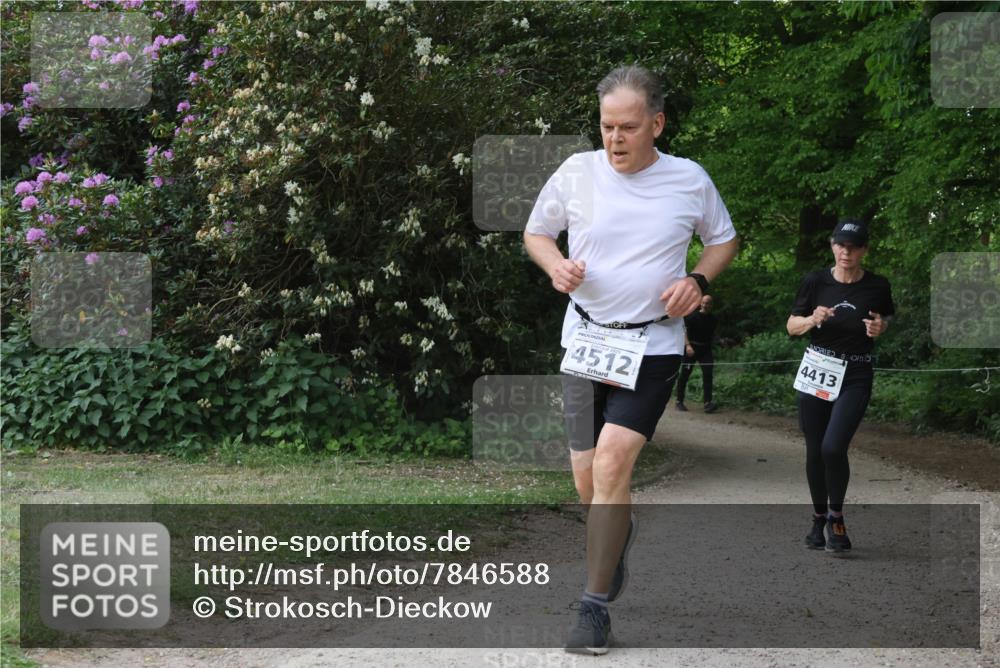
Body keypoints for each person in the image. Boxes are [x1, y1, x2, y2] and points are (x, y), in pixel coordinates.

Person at [523, 64, 738, 655]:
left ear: (657, 124)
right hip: (586, 340)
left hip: (653, 344)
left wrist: (697, 278)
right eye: (606, 126)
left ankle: (592, 608)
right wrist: (554, 265)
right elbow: (537, 234)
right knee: (588, 478)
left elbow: (723, 239)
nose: (614, 138)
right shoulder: (577, 172)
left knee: (615, 464)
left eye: (628, 126)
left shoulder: (689, 179)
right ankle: (615, 539)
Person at [786, 218, 894, 554]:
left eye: (853, 246)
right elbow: (792, 326)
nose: (846, 251)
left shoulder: (877, 285)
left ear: (864, 250)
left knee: (834, 447)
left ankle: (836, 516)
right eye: (840, 245)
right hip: (817, 368)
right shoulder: (815, 281)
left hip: (856, 374)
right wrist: (812, 320)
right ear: (833, 246)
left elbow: (885, 318)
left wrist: (880, 327)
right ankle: (819, 518)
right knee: (815, 449)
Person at [676, 294, 718, 413]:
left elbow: (712, 334)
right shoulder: (691, 317)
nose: (705, 305)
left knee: (708, 373)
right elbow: (683, 331)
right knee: (685, 374)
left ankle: (707, 403)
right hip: (691, 349)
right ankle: (679, 401)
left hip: (705, 349)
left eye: (708, 303)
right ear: (700, 303)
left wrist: (719, 341)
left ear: (711, 305)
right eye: (704, 302)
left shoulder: (714, 319)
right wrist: (687, 345)